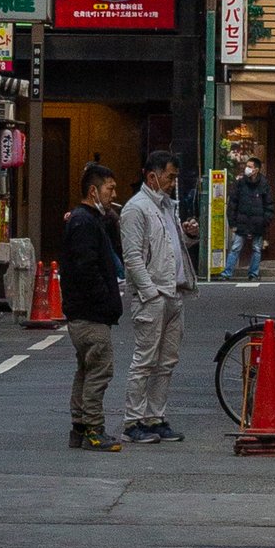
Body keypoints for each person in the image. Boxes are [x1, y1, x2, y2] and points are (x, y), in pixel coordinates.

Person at [120, 151, 197, 441]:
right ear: (152, 176)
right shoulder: (136, 209)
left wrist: (188, 235)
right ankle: (133, 421)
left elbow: (171, 247)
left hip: (173, 291)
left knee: (166, 361)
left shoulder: (167, 207)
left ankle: (155, 417)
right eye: (170, 176)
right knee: (145, 359)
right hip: (155, 294)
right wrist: (150, 293)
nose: (173, 182)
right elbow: (133, 257)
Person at [56, 161, 125, 450]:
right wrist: (105, 300)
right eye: (110, 188)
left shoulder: (85, 219)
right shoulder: (85, 223)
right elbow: (87, 269)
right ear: (94, 190)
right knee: (99, 369)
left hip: (81, 312)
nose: (113, 194)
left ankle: (79, 427)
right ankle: (94, 430)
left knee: (85, 369)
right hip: (90, 313)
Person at [226, 155, 271, 285]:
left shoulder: (264, 184)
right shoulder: (240, 183)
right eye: (247, 166)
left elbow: (269, 205)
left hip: (257, 223)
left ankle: (253, 273)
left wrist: (265, 222)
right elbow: (233, 203)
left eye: (250, 167)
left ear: (256, 170)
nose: (247, 169)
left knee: (256, 248)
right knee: (235, 247)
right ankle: (227, 272)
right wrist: (232, 223)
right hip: (242, 221)